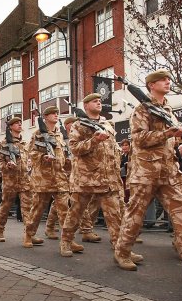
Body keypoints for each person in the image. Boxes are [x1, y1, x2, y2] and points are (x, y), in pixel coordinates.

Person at [114, 70, 182, 273]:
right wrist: (166, 133)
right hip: (145, 173)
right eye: (163, 80)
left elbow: (169, 140)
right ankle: (122, 251)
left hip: (168, 172)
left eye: (169, 79)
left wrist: (174, 137)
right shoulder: (142, 109)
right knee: (135, 216)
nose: (168, 82)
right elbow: (140, 139)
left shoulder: (167, 108)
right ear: (151, 85)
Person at [60, 93, 142, 265]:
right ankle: (66, 241)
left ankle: (122, 251)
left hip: (108, 179)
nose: (99, 103)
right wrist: (94, 140)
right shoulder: (78, 125)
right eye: (94, 101)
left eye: (99, 101)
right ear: (86, 105)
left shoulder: (107, 124)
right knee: (75, 213)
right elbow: (75, 149)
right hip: (86, 178)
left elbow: (113, 149)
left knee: (115, 217)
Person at [24, 106, 72, 249]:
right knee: (37, 210)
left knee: (64, 210)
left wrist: (66, 161)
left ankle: (67, 240)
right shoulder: (38, 134)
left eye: (57, 113)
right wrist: (42, 156)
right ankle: (29, 235)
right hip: (43, 178)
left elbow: (62, 153)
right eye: (52, 113)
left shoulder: (59, 135)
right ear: (45, 117)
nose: (56, 115)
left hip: (59, 177)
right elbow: (30, 152)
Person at [0, 117, 32, 242]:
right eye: (16, 123)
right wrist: (6, 165)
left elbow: (28, 159)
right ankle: (0, 229)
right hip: (10, 180)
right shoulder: (4, 143)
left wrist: (29, 165)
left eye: (20, 123)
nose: (20, 124)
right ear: (10, 127)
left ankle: (28, 235)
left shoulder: (25, 143)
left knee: (27, 207)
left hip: (24, 179)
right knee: (5, 206)